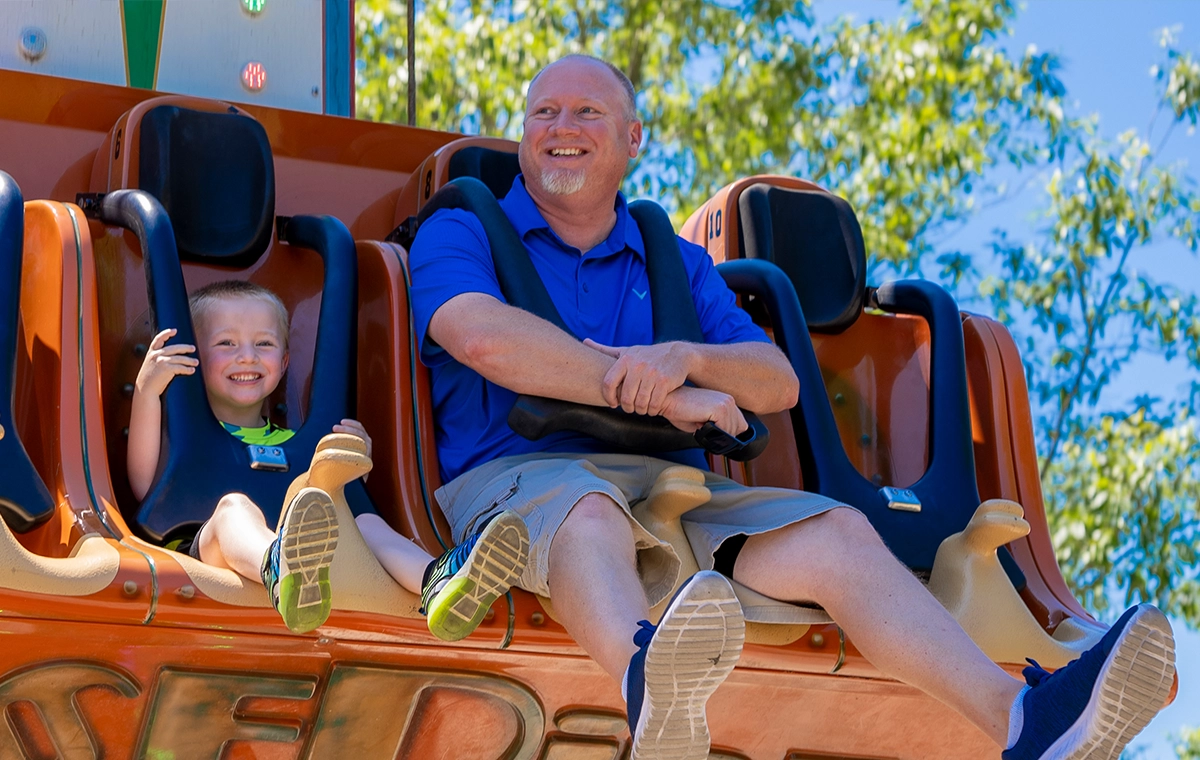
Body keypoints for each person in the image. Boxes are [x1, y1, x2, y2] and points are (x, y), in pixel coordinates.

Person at [407, 53, 1177, 760]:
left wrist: (687, 359)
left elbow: (775, 381)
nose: (560, 129)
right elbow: (482, 339)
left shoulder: (674, 258)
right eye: (544, 113)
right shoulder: (465, 227)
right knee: (588, 512)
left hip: (679, 494)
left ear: (633, 138)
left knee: (839, 532)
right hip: (517, 480)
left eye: (586, 114)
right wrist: (661, 391)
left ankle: (1023, 720)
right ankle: (651, 687)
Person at [128, 279, 529, 639]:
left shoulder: (297, 441)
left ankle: (439, 581)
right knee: (234, 508)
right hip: (204, 547)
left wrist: (356, 463)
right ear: (195, 360)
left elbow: (333, 504)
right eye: (226, 344)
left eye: (263, 344)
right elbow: (146, 486)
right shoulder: (183, 438)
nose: (247, 356)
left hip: (307, 558)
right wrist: (147, 393)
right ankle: (277, 566)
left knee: (365, 521)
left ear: (284, 363)